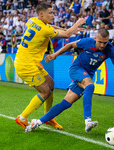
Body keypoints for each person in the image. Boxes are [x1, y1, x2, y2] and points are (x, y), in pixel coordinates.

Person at [25, 28, 114, 133]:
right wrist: (55, 55)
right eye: (99, 42)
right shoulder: (87, 42)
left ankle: (37, 122)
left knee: (66, 103)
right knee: (90, 86)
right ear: (95, 38)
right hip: (76, 69)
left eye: (105, 43)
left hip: (88, 74)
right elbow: (70, 45)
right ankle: (88, 121)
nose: (102, 45)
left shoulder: (110, 49)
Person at [14, 2, 86, 130]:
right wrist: (77, 24)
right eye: (50, 13)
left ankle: (49, 118)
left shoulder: (32, 20)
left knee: (50, 84)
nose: (53, 15)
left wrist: (68, 29)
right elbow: (67, 35)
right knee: (45, 91)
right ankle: (22, 118)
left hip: (29, 61)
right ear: (41, 13)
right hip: (26, 65)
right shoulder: (43, 29)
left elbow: (51, 27)